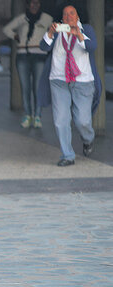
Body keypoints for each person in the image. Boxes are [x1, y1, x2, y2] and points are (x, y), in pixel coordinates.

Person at [37, 4, 102, 166]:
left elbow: (92, 46)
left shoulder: (86, 29)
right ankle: (67, 155)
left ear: (77, 17)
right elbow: (44, 47)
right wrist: (50, 33)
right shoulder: (58, 31)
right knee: (61, 120)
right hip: (59, 81)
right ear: (62, 18)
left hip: (82, 82)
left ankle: (88, 139)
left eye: (71, 14)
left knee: (82, 121)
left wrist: (78, 34)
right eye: (65, 15)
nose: (68, 17)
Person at [3, 0, 53, 128]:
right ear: (27, 5)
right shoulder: (22, 18)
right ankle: (27, 114)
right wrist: (15, 36)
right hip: (23, 55)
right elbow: (6, 29)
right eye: (32, 3)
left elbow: (55, 30)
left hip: (39, 55)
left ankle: (37, 116)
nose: (35, 6)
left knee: (37, 87)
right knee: (25, 87)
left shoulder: (47, 18)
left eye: (37, 3)